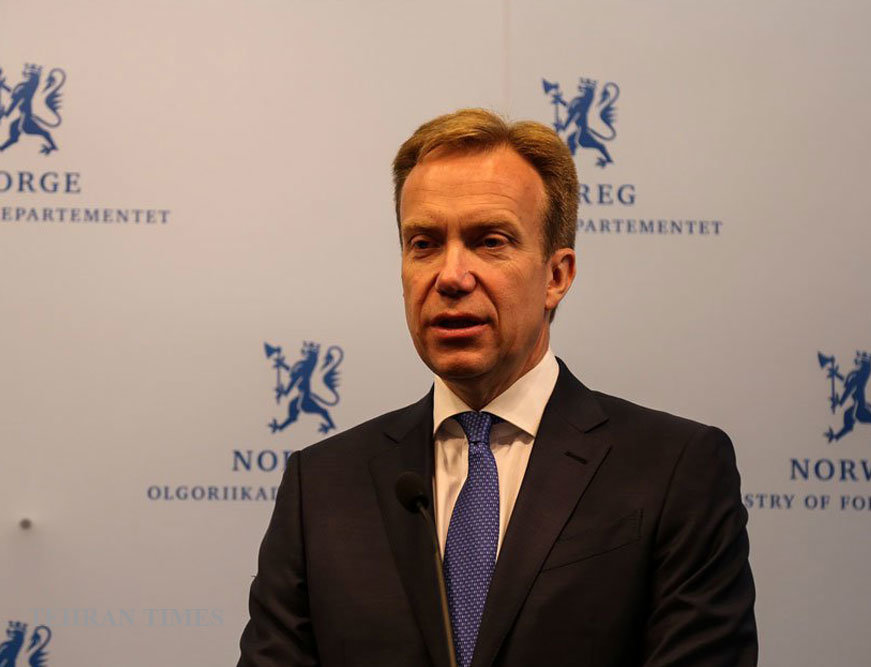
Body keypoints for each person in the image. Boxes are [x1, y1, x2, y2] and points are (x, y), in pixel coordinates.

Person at [238, 108, 757, 666]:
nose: (451, 276)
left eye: (489, 241)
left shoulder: (674, 470)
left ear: (556, 276)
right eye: (424, 243)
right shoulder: (321, 486)